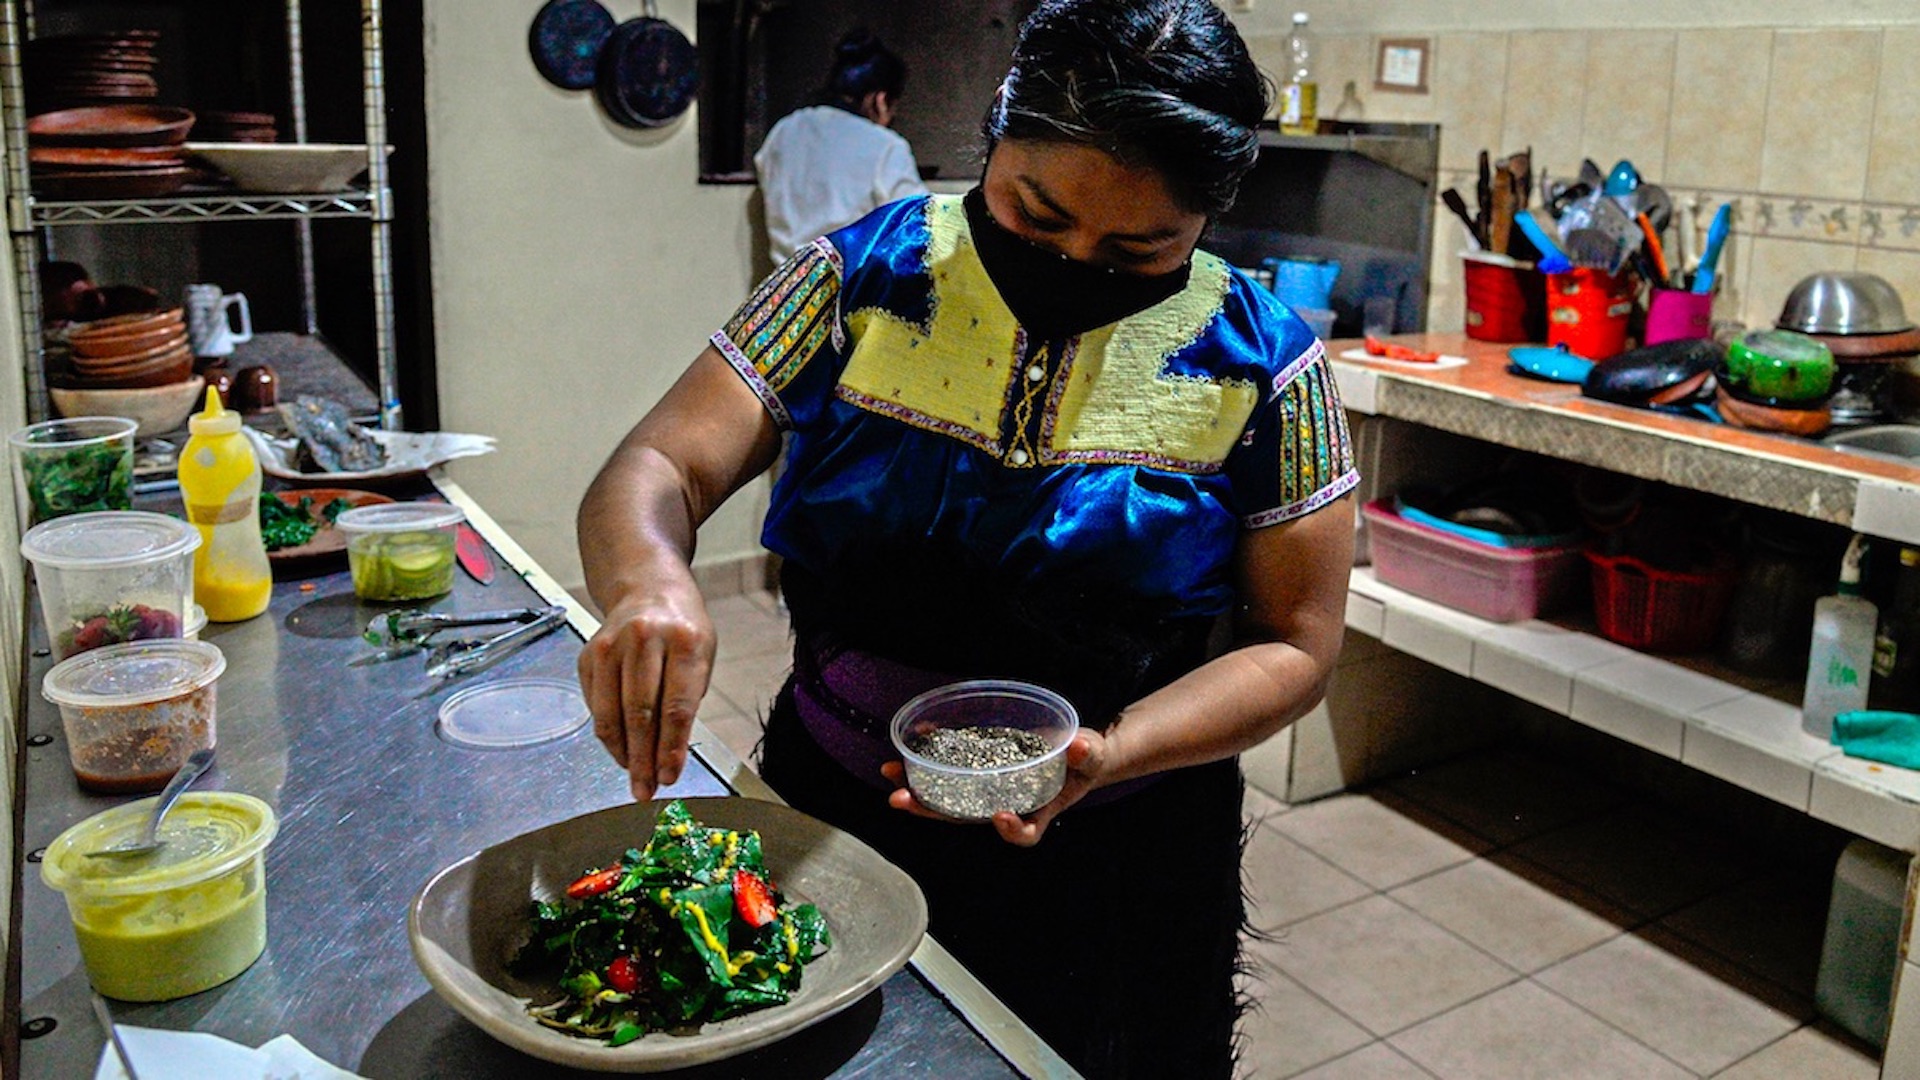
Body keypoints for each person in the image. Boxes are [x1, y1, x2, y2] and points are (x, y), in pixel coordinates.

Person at [577, 1, 1356, 1074]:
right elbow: (655, 467)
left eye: (1138, 252)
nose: (1076, 265)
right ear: (993, 142)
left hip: (1124, 857)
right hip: (834, 819)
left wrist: (1110, 751)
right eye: (1035, 217)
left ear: (1207, 220)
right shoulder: (858, 278)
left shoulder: (1267, 365)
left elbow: (1298, 645)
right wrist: (648, 583)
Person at [754, 29, 927, 258]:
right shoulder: (885, 146)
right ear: (880, 99)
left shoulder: (785, 130)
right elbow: (917, 226)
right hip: (852, 289)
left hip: (787, 286)